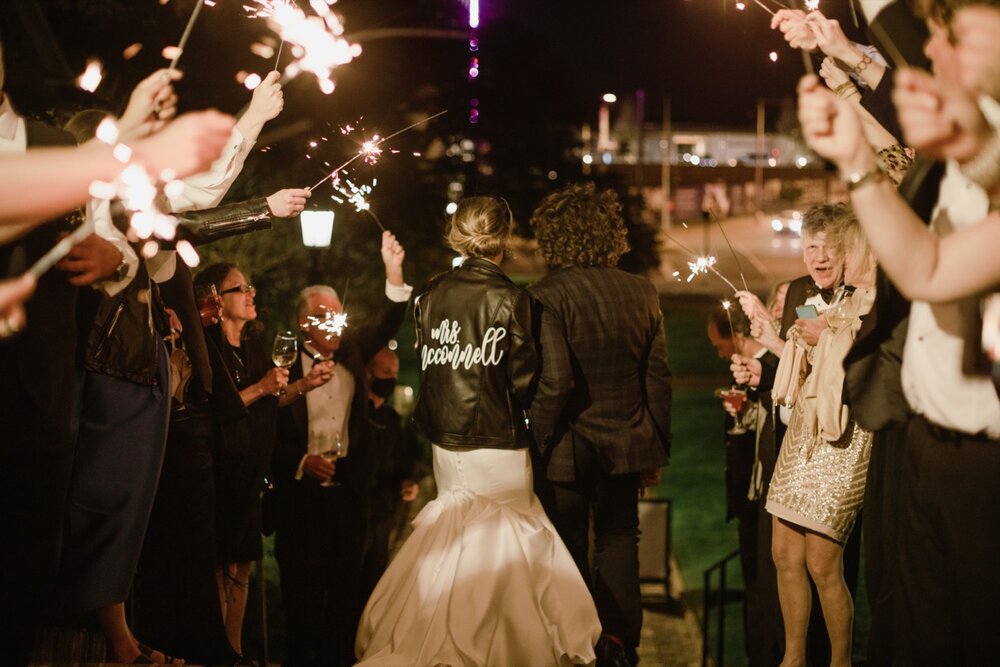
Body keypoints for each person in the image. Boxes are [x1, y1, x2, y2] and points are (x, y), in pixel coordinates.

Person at [796, 1, 1000, 661]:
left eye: (951, 34)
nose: (931, 52)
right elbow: (927, 266)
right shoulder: (964, 153)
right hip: (929, 452)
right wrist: (853, 161)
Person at [356, 196, 601, 666]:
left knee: (458, 539)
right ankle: (501, 648)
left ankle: (444, 638)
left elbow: (431, 366)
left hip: (445, 444)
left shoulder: (429, 295)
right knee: (504, 549)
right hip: (498, 442)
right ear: (503, 239)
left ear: (459, 236)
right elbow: (526, 380)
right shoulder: (512, 299)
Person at [526, 183, 670, 666]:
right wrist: (656, 450)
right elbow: (658, 378)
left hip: (567, 448)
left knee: (567, 547)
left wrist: (534, 443)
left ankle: (576, 645)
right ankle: (622, 644)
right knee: (619, 540)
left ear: (555, 238)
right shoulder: (641, 291)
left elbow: (556, 382)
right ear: (609, 234)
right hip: (627, 444)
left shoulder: (545, 296)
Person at [273, 230, 410, 667]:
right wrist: (299, 462)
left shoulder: (353, 350)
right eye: (323, 314)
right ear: (303, 324)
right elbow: (264, 433)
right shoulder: (281, 366)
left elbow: (389, 320)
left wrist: (393, 270)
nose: (335, 321)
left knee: (346, 603)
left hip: (350, 498)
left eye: (338, 312)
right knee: (302, 603)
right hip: (300, 501)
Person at [765, 209, 877, 667]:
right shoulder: (816, 297)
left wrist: (828, 333)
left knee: (822, 563)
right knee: (783, 553)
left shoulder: (873, 299)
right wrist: (802, 339)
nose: (821, 256)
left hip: (843, 438)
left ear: (853, 248)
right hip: (802, 434)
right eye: (811, 246)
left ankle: (840, 661)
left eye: (831, 247)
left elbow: (864, 359)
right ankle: (792, 658)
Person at [193, 263, 288, 657]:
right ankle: (215, 650)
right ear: (217, 299)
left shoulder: (252, 348)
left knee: (243, 565)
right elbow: (216, 409)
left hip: (250, 471)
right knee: (220, 564)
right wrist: (263, 387)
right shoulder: (206, 347)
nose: (251, 294)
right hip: (217, 470)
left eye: (250, 286)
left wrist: (299, 385)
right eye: (240, 288)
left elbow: (269, 401)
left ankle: (233, 648)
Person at [708, 307, 774, 667]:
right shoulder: (739, 375)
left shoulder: (766, 370)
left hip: (759, 497)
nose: (718, 353)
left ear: (737, 336)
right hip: (744, 498)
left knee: (761, 588)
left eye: (720, 345)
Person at [360, 346, 421, 599]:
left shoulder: (392, 419)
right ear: (369, 373)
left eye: (394, 373)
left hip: (383, 511)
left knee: (376, 576)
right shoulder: (355, 414)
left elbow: (403, 461)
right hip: (357, 509)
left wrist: (408, 482)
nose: (391, 378)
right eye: (386, 371)